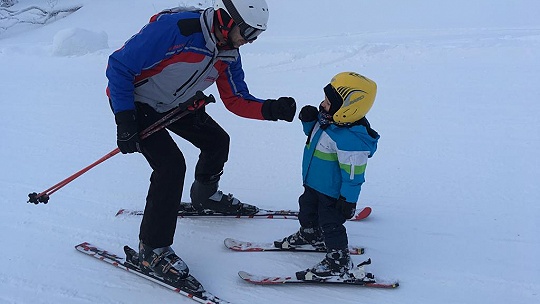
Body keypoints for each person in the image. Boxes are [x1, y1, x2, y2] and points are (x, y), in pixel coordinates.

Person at [106, 0, 296, 284]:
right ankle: (152, 248)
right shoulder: (178, 30)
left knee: (217, 141)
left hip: (175, 103)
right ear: (227, 20)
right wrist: (125, 120)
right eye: (248, 32)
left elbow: (236, 99)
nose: (249, 41)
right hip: (137, 103)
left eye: (257, 35)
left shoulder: (229, 52)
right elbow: (119, 66)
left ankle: (205, 196)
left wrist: (270, 109)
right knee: (170, 166)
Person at [274, 72, 380, 280]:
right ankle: (311, 233)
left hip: (332, 193)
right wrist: (308, 121)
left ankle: (338, 260)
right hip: (313, 184)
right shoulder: (328, 122)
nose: (322, 105)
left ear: (348, 109)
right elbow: (315, 138)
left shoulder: (350, 140)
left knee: (331, 224)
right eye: (324, 99)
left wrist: (348, 200)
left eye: (328, 102)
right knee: (306, 210)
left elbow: (353, 175)